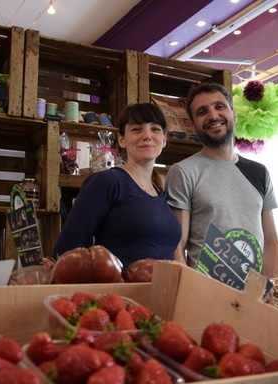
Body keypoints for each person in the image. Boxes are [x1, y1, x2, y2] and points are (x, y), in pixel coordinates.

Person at [165, 82, 278, 279]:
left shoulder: (259, 172)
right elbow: (177, 246)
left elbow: (271, 241)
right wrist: (189, 292)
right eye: (202, 111)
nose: (213, 116)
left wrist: (276, 289)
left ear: (234, 114)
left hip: (255, 297)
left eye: (219, 107)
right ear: (193, 126)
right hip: (208, 297)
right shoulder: (184, 172)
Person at [52, 103, 181, 271]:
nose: (147, 135)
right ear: (121, 140)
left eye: (155, 129)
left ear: (164, 140)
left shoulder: (162, 196)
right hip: (120, 293)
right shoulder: (107, 182)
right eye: (136, 129)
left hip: (162, 293)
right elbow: (68, 248)